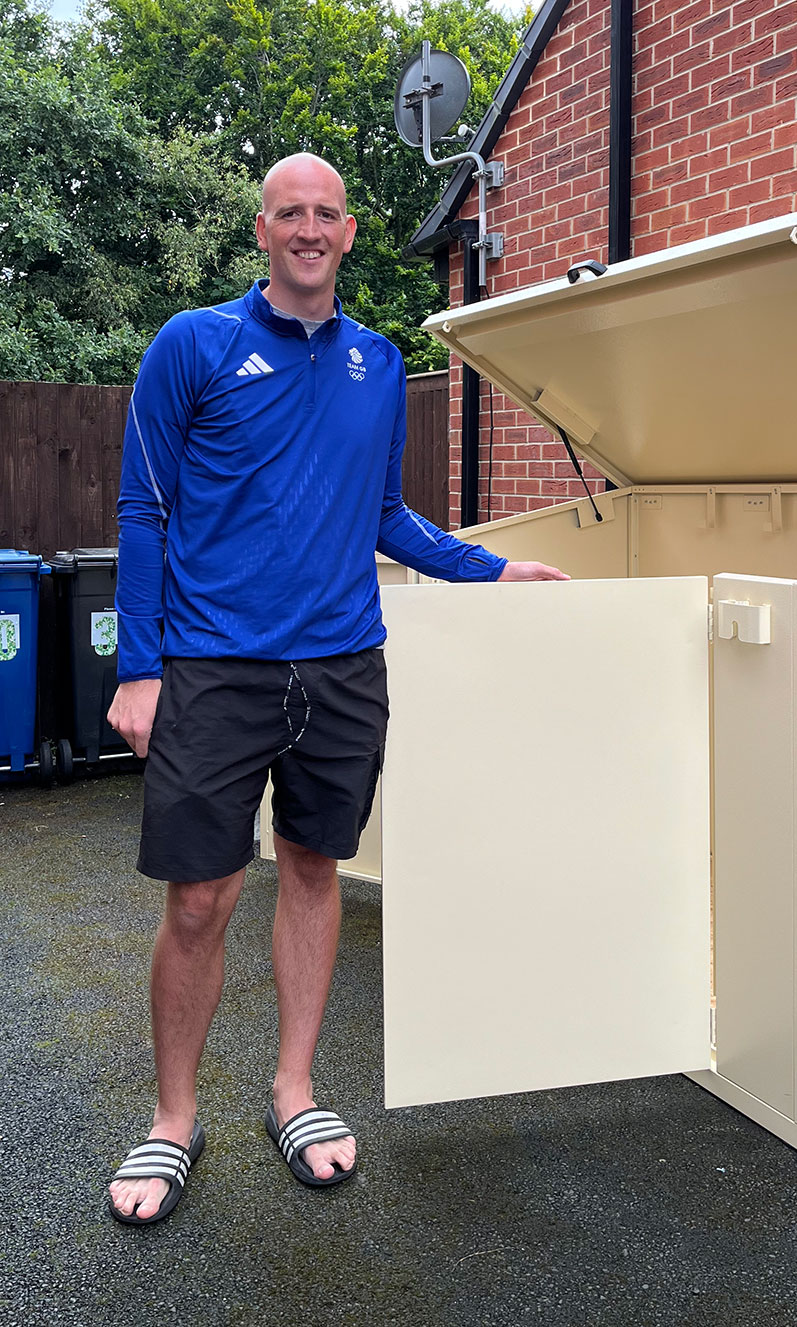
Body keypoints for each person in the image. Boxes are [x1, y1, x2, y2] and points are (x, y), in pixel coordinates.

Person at [106, 152, 567, 1225]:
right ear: (261, 232)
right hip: (216, 669)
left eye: (326, 214)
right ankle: (174, 1119)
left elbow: (383, 518)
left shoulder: (374, 362)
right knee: (200, 899)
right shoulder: (194, 346)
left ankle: (295, 1091)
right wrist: (138, 666)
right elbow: (144, 509)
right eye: (289, 214)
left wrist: (491, 569)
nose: (309, 229)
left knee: (314, 872)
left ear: (349, 233)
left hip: (344, 668)